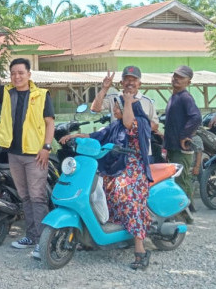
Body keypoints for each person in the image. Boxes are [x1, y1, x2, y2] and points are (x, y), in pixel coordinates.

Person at [60, 95, 154, 270]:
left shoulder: (140, 122)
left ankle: (140, 249)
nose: (115, 110)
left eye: (119, 107)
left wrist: (127, 102)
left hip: (133, 166)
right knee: (95, 190)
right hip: (114, 166)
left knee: (128, 197)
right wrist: (76, 136)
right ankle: (94, 236)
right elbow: (97, 135)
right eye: (116, 107)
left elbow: (129, 124)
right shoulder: (115, 125)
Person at [0, 48, 54, 259]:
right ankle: (31, 236)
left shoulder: (41, 95)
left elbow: (50, 123)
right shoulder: (8, 93)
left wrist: (46, 147)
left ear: (29, 74)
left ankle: (43, 241)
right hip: (14, 153)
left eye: (21, 72)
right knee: (25, 197)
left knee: (37, 196)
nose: (17, 76)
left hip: (35, 154)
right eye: (13, 73)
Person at [163, 65, 201, 220]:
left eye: (181, 77)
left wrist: (185, 135)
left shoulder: (185, 97)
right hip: (172, 146)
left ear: (188, 82)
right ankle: (184, 210)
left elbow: (196, 117)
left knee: (181, 180)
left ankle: (186, 215)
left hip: (182, 147)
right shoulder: (174, 97)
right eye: (175, 75)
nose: (176, 79)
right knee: (176, 179)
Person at [91, 67, 159, 130]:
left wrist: (135, 128)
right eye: (127, 80)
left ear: (139, 84)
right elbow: (95, 109)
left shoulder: (147, 101)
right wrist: (104, 88)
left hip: (140, 142)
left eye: (134, 80)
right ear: (121, 82)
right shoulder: (113, 98)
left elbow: (155, 124)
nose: (130, 83)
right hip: (117, 141)